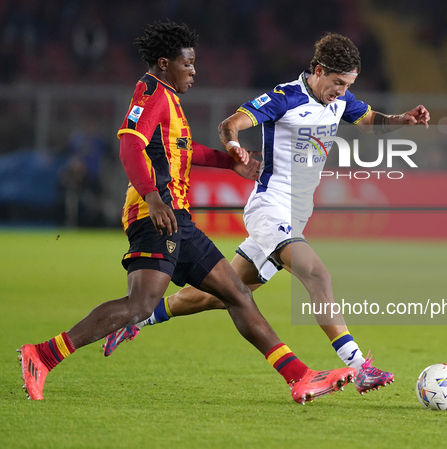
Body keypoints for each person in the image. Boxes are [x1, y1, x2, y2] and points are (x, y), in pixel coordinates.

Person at [17, 21, 356, 405]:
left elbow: (183, 149)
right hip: (156, 215)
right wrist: (152, 198)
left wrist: (230, 164)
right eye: (188, 64)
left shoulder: (168, 97)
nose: (194, 72)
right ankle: (43, 355)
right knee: (140, 304)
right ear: (165, 63)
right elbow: (130, 147)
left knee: (238, 294)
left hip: (178, 219)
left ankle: (301, 376)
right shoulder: (150, 94)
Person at [104, 32, 430, 395]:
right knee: (317, 274)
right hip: (269, 207)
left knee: (223, 294)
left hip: (297, 215)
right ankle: (359, 366)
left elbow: (370, 119)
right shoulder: (285, 97)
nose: (342, 91)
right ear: (319, 70)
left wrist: (403, 118)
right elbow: (230, 124)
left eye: (348, 84)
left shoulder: (340, 100)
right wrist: (233, 148)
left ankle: (139, 318)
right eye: (337, 83)